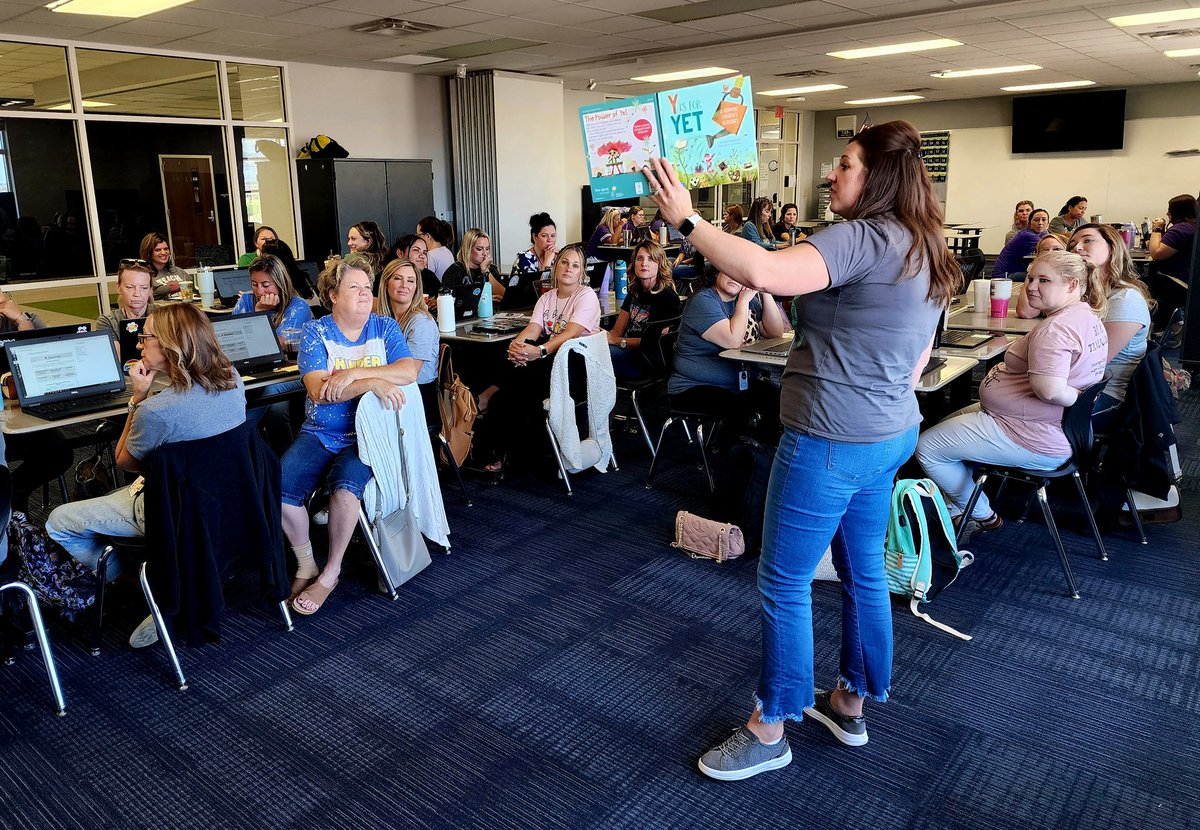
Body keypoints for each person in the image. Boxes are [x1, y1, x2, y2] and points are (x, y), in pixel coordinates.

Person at [641, 119, 960, 780]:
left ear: (876, 176)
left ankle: (771, 726)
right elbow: (917, 360)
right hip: (888, 432)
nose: (830, 174)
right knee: (863, 570)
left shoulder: (860, 237)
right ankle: (850, 701)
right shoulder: (926, 245)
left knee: (783, 579)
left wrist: (687, 222)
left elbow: (762, 268)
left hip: (830, 438)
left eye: (843, 164)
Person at [46, 303, 246, 646]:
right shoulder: (232, 380)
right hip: (225, 500)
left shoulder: (158, 411)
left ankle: (137, 577)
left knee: (57, 521)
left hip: (168, 509)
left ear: (168, 346)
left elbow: (125, 461)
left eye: (145, 337)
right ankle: (162, 569)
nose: (139, 344)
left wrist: (137, 398)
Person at [917, 250, 1108, 537]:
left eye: (1044, 280)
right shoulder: (1085, 316)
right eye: (1031, 278)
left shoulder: (1056, 330)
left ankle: (982, 514)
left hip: (1030, 434)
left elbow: (1050, 390)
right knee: (945, 426)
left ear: (1072, 285)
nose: (1031, 286)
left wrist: (1079, 396)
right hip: (1041, 425)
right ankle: (958, 506)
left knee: (927, 448)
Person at [280, 253, 417, 616]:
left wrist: (354, 377)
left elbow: (408, 371)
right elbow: (317, 390)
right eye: (353, 287)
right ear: (333, 296)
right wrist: (371, 380)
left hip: (367, 436)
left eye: (367, 288)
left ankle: (331, 571)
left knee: (345, 490)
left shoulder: (384, 328)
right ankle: (306, 561)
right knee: (279, 489)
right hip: (322, 432)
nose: (363, 294)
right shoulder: (316, 331)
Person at [475, 244, 599, 473]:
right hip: (550, 364)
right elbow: (533, 328)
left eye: (575, 265)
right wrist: (518, 346)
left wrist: (539, 351)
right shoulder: (547, 297)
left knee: (520, 378)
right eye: (564, 262)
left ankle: (487, 399)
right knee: (511, 379)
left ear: (582, 272)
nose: (568, 269)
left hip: (577, 367)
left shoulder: (586, 296)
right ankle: (503, 450)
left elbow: (569, 334)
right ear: (556, 266)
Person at [667, 263, 789, 442]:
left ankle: (761, 456)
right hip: (693, 386)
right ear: (717, 272)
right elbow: (732, 340)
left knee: (779, 400)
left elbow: (774, 332)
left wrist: (765, 291)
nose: (734, 277)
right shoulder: (704, 301)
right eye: (729, 271)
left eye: (740, 273)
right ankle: (727, 460)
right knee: (741, 410)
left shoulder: (746, 299)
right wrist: (743, 301)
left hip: (738, 384)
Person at [1067, 224, 1153, 427]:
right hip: (1077, 385)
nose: (1077, 247)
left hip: (1105, 394)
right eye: (1072, 245)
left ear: (1112, 247)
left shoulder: (1125, 299)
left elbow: (1091, 363)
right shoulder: (1086, 295)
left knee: (1018, 414)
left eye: (1087, 240)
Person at [0, 290, 74, 513]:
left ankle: (15, 496)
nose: (1, 309)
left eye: (3, 301)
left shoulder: (27, 319)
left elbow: (47, 355)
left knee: (60, 451)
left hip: (27, 416)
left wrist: (21, 321)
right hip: (3, 422)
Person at [606, 240, 682, 381]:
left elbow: (654, 342)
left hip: (648, 358)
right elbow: (617, 330)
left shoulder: (668, 297)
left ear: (660, 265)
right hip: (626, 349)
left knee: (598, 356)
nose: (644, 263)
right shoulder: (634, 291)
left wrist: (618, 342)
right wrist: (602, 338)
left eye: (651, 259)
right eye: (639, 258)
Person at [377, 258, 439, 422]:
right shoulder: (382, 319)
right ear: (386, 282)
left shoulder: (421, 322)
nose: (405, 285)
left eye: (410, 280)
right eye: (398, 278)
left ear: (416, 287)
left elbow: (409, 374)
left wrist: (361, 377)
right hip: (389, 393)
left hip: (418, 399)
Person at [1146, 194, 1196, 335]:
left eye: (1170, 210)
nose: (1167, 213)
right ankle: (1175, 324)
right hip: (1185, 280)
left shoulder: (1181, 230)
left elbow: (1156, 253)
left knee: (1138, 285)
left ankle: (1157, 327)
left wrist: (1157, 229)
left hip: (1176, 281)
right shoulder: (1192, 227)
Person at [234, 254, 313, 340]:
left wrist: (260, 313)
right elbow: (235, 338)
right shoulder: (245, 300)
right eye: (254, 284)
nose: (259, 291)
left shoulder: (298, 306)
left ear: (280, 284)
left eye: (265, 285)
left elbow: (279, 345)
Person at [440, 228, 505, 300]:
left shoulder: (492, 269)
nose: (485, 253)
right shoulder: (454, 271)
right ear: (468, 249)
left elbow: (502, 295)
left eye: (487, 249)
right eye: (479, 249)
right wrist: (481, 299)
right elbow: (448, 299)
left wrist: (485, 271)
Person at [97, 258, 154, 333]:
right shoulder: (107, 321)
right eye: (130, 287)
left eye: (144, 288)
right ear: (118, 288)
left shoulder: (165, 316)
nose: (137, 294)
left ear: (150, 290)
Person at [993, 207, 1049, 279]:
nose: (1040, 223)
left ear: (1048, 223)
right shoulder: (1026, 234)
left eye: (1044, 220)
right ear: (1029, 223)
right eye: (1036, 220)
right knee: (1044, 277)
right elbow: (1048, 247)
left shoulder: (1042, 233)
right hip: (1005, 276)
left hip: (1017, 271)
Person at [140, 232, 189, 300]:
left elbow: (194, 287)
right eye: (158, 250)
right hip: (160, 309)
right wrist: (169, 288)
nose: (163, 253)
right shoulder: (144, 275)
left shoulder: (178, 270)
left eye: (166, 249)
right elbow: (143, 297)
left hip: (183, 308)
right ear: (149, 253)